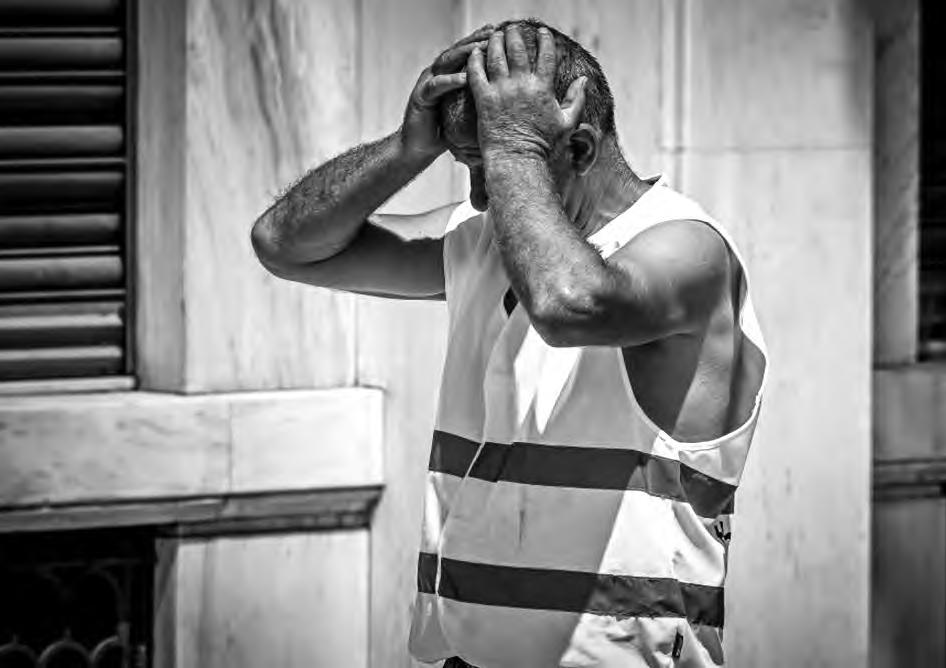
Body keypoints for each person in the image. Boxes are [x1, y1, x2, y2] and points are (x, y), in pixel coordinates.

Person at [252, 18, 768, 668]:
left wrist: (515, 149)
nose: (477, 195)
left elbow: (568, 304)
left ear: (578, 149)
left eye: (488, 169)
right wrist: (406, 150)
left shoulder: (688, 249)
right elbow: (284, 245)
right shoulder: (488, 240)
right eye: (471, 166)